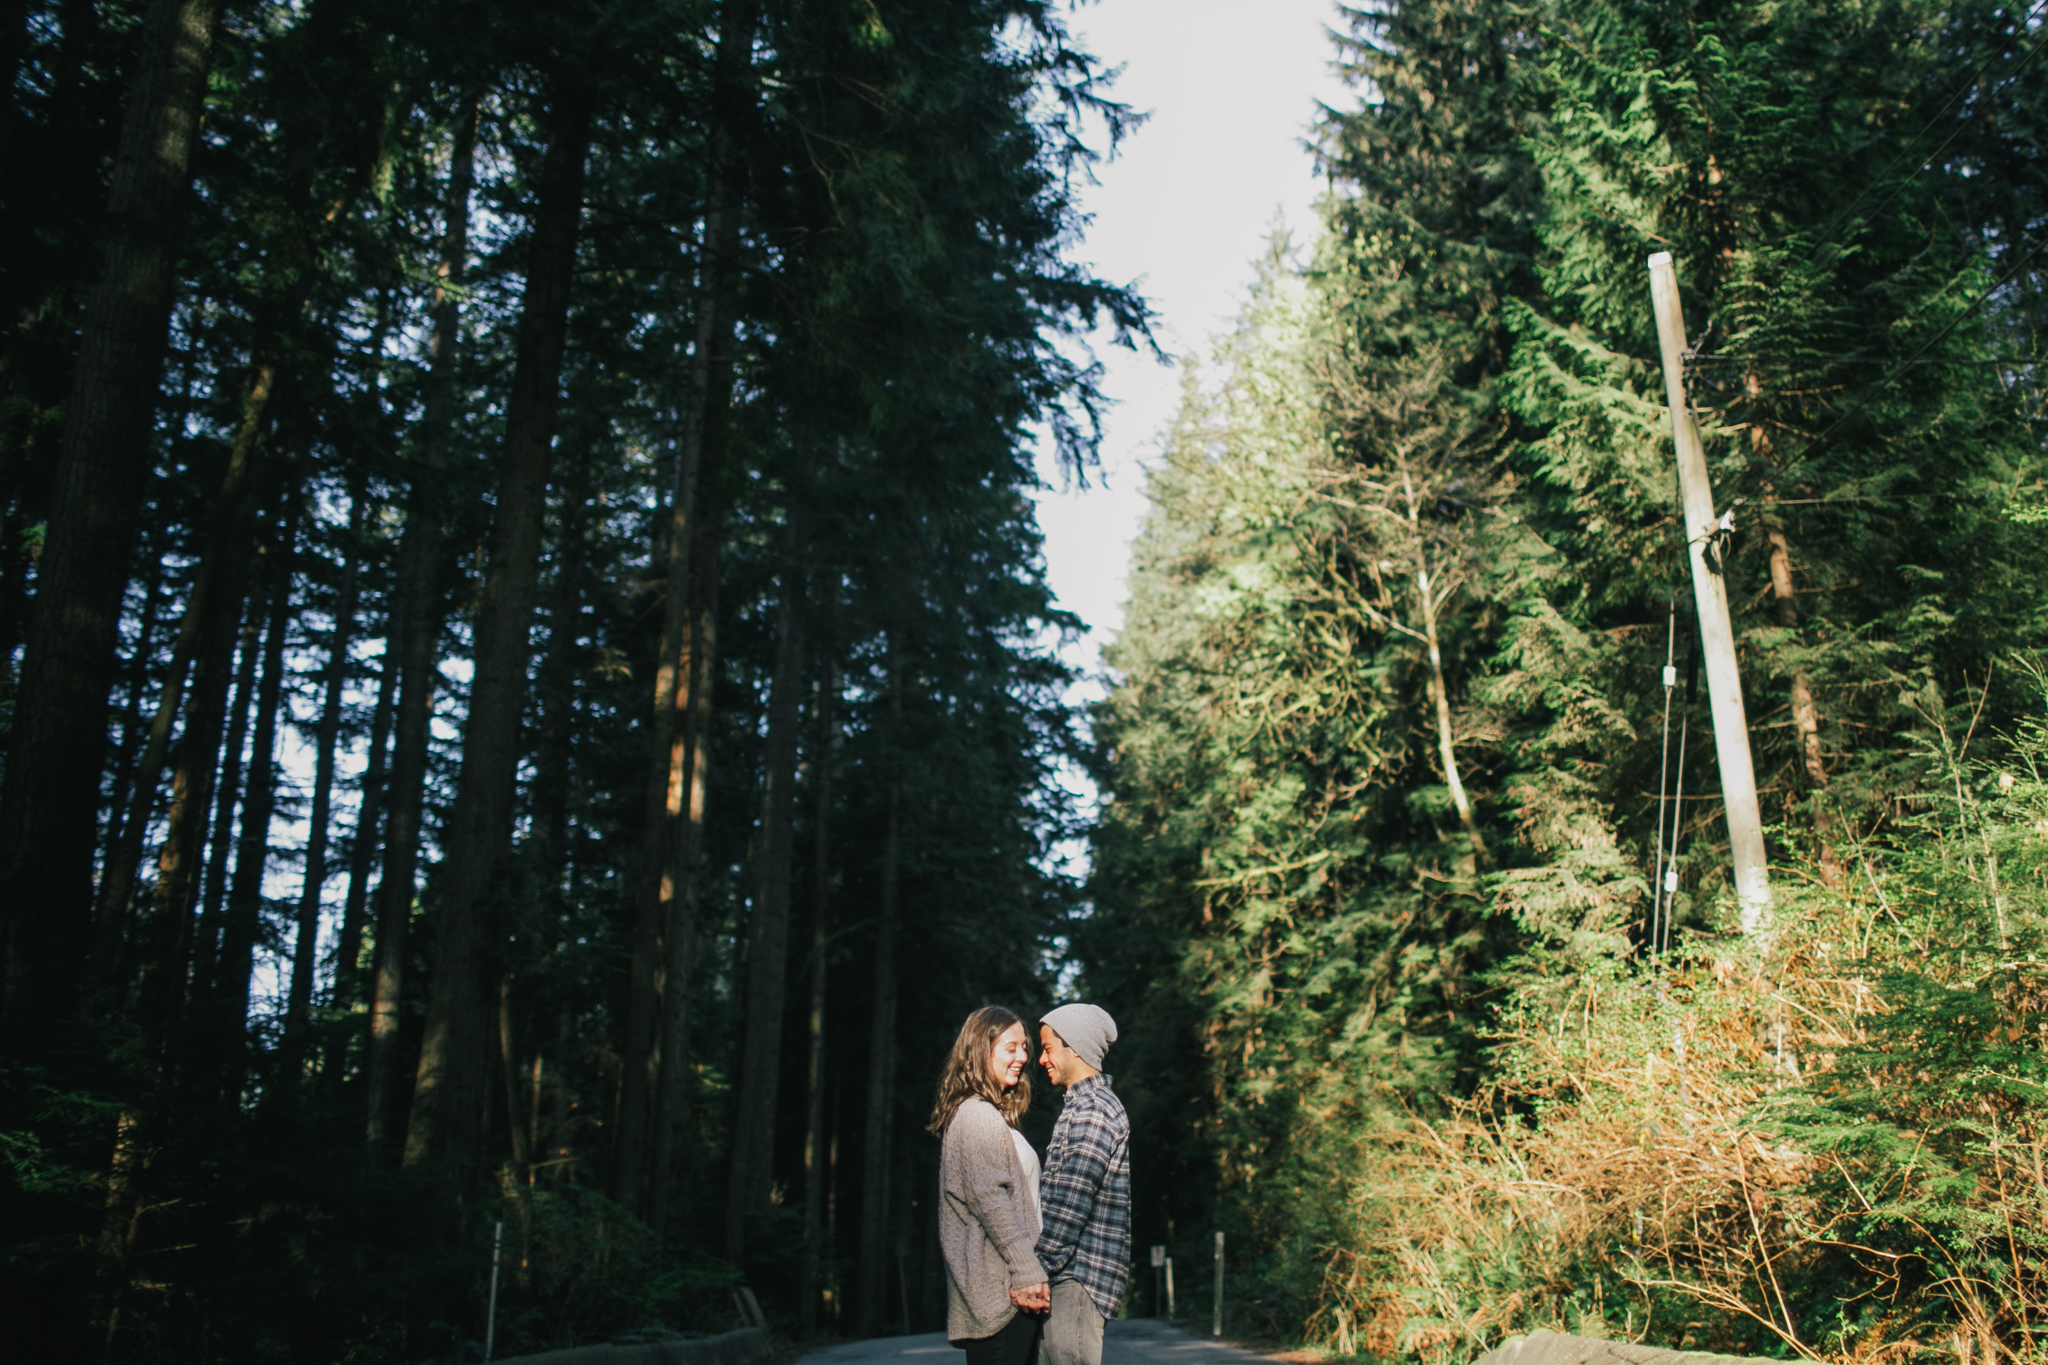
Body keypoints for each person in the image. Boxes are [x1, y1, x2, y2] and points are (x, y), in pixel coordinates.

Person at [934, 1006, 1052, 1365]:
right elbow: (991, 1200)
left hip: (1011, 1293)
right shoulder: (977, 1116)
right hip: (1004, 1295)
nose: (1023, 1057)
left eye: (1024, 1048)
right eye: (1010, 1047)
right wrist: (1027, 1269)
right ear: (980, 1052)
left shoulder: (990, 1116)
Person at [1034, 1003, 1131, 1365]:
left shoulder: (1094, 1109)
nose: (1042, 1059)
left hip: (1076, 1277)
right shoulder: (1082, 1106)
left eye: (1047, 1048)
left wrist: (1034, 1268)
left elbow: (1071, 1202)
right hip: (1068, 1275)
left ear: (1074, 1046)